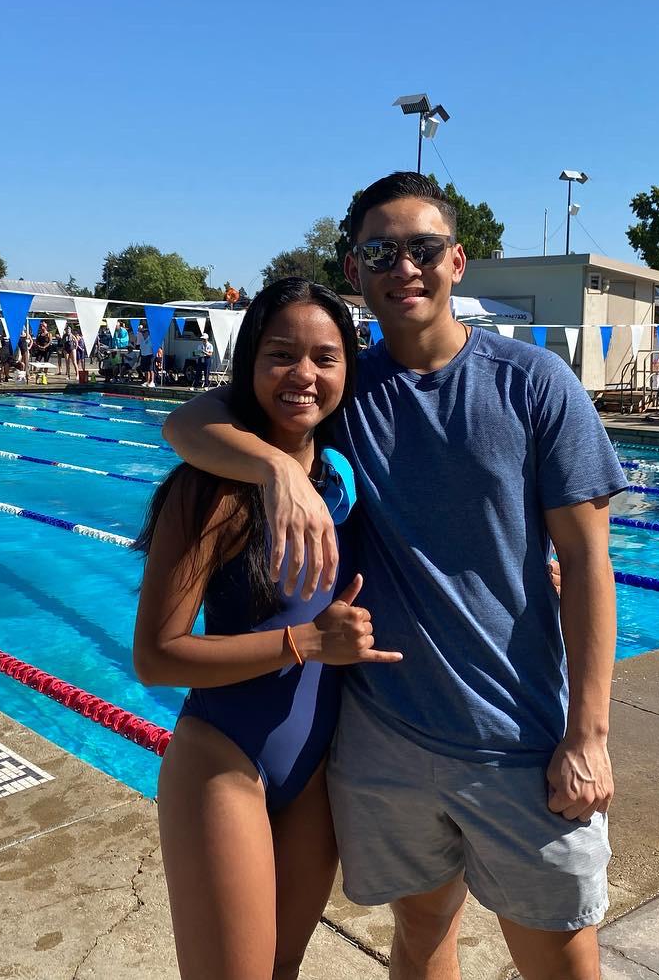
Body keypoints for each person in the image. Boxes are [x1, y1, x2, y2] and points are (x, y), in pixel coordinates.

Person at [166, 172, 625, 978]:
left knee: (562, 961)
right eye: (381, 250)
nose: (402, 266)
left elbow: (588, 563)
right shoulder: (343, 384)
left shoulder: (532, 383)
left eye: (421, 248)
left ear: (457, 260)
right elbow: (188, 419)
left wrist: (587, 736)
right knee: (418, 938)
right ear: (355, 270)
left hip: (516, 740)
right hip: (385, 744)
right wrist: (276, 467)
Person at [133, 278, 395, 980]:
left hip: (312, 776)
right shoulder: (209, 488)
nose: (303, 374)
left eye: (324, 357)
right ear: (249, 362)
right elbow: (157, 656)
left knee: (283, 969)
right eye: (281, 354)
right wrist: (306, 643)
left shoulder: (347, 481)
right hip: (224, 761)